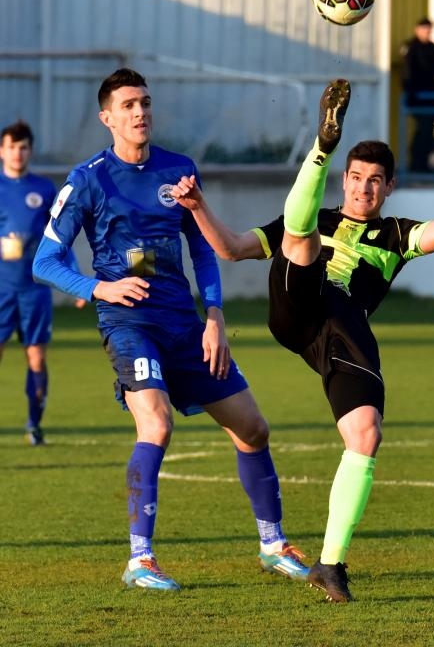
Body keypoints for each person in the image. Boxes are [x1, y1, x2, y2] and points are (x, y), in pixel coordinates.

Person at [171, 78, 434, 603]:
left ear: (389, 188)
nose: (364, 188)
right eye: (356, 178)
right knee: (302, 235)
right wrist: (198, 207)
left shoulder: (396, 235)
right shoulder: (322, 216)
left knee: (366, 434)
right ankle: (322, 143)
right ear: (343, 180)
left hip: (341, 331)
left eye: (375, 181)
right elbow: (230, 248)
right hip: (296, 304)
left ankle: (330, 565)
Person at [32, 67, 308, 591]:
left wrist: (215, 317)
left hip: (186, 325)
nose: (140, 112)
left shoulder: (179, 170)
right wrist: (99, 288)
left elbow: (203, 249)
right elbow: (45, 261)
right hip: (128, 323)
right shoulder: (87, 178)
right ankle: (140, 559)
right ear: (107, 117)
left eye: (146, 102)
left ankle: (273, 544)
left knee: (253, 428)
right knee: (156, 424)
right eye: (129, 105)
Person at [0, 120, 83, 445]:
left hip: (35, 291)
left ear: (30, 151)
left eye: (23, 148)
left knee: (36, 358)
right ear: (2, 151)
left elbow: (61, 237)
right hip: (2, 289)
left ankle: (34, 426)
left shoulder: (45, 189)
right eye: (11, 147)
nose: (17, 153)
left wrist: (74, 281)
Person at [400, 17, 434, 172]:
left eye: (429, 30)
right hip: (417, 98)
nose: (427, 32)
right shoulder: (411, 47)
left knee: (428, 131)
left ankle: (423, 164)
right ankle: (416, 165)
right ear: (417, 29)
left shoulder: (433, 48)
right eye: (424, 29)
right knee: (422, 130)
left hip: (431, 99)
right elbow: (407, 72)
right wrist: (411, 93)